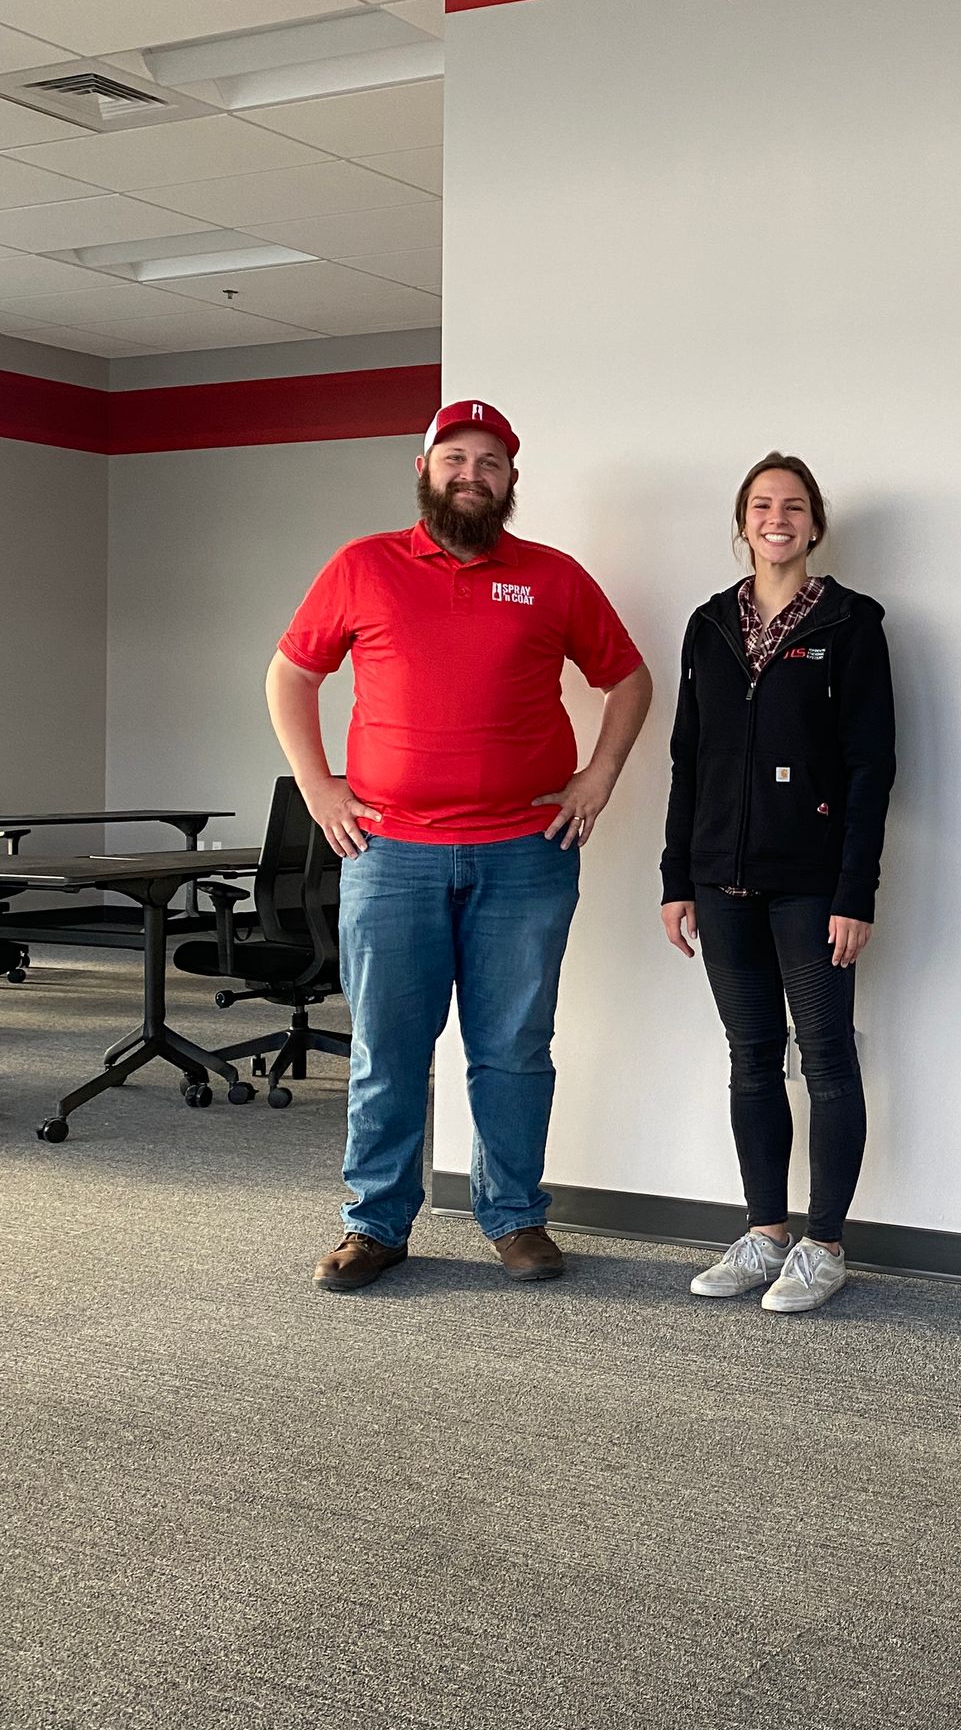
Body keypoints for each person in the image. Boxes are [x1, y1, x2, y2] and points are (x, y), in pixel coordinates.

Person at [268, 400, 651, 1294]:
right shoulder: (364, 566)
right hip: (390, 852)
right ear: (424, 468)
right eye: (455, 458)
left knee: (514, 1044)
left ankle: (515, 1216)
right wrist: (320, 785)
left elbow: (626, 677)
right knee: (390, 1046)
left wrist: (597, 778)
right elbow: (291, 672)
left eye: (490, 461)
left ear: (512, 481)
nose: (471, 473)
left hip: (526, 850)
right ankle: (376, 1226)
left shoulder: (553, 577)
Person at [660, 453, 895, 1313]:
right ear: (744, 521)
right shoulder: (708, 624)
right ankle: (765, 1234)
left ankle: (824, 1244)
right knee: (751, 1059)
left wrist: (854, 893)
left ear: (815, 524)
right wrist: (675, 875)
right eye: (762, 505)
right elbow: (690, 758)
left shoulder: (851, 623)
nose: (778, 518)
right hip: (720, 881)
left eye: (794, 506)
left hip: (812, 884)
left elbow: (873, 768)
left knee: (827, 1059)